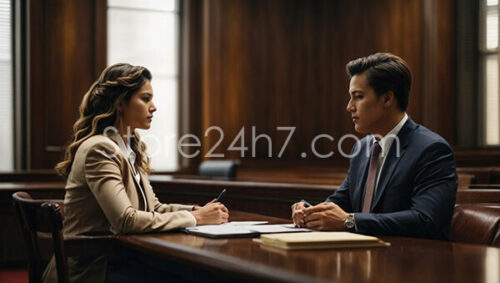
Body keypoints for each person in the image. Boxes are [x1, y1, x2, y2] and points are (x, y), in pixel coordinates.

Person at [43, 63, 229, 282]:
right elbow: (125, 220)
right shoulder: (100, 149)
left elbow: (155, 207)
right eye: (145, 98)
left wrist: (197, 210)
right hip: (93, 271)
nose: (154, 107)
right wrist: (195, 218)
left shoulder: (129, 148)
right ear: (120, 103)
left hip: (118, 259)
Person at [291, 53, 457, 240]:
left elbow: (427, 220)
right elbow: (341, 202)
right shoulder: (361, 149)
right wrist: (309, 211)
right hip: (362, 257)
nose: (349, 107)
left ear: (387, 99)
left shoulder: (431, 150)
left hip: (410, 261)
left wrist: (351, 221)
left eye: (358, 97)